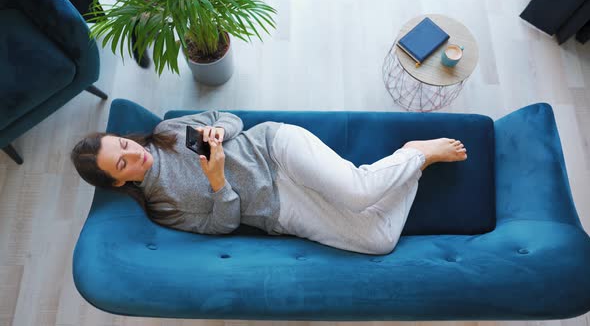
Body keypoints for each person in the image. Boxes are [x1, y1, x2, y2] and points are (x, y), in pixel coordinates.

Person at [71, 111, 467, 255]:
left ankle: (418, 153)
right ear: (120, 183)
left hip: (274, 148)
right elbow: (221, 226)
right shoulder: (162, 207)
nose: (135, 153)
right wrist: (217, 183)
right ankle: (413, 162)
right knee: (378, 242)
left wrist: (217, 132)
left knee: (359, 191)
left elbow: (231, 119)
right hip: (277, 209)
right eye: (123, 162)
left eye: (124, 143)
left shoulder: (167, 132)